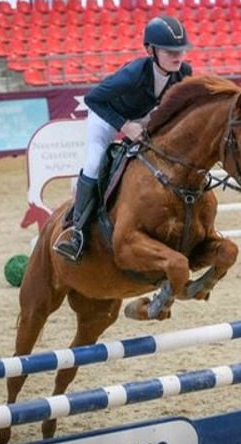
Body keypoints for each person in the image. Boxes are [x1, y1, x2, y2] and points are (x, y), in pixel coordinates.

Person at [53, 14, 193, 262]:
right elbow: (93, 99)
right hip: (107, 116)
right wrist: (125, 126)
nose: (177, 56)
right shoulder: (133, 73)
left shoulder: (184, 72)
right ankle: (77, 232)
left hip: (142, 118)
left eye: (181, 50)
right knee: (94, 163)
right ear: (150, 50)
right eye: (170, 51)